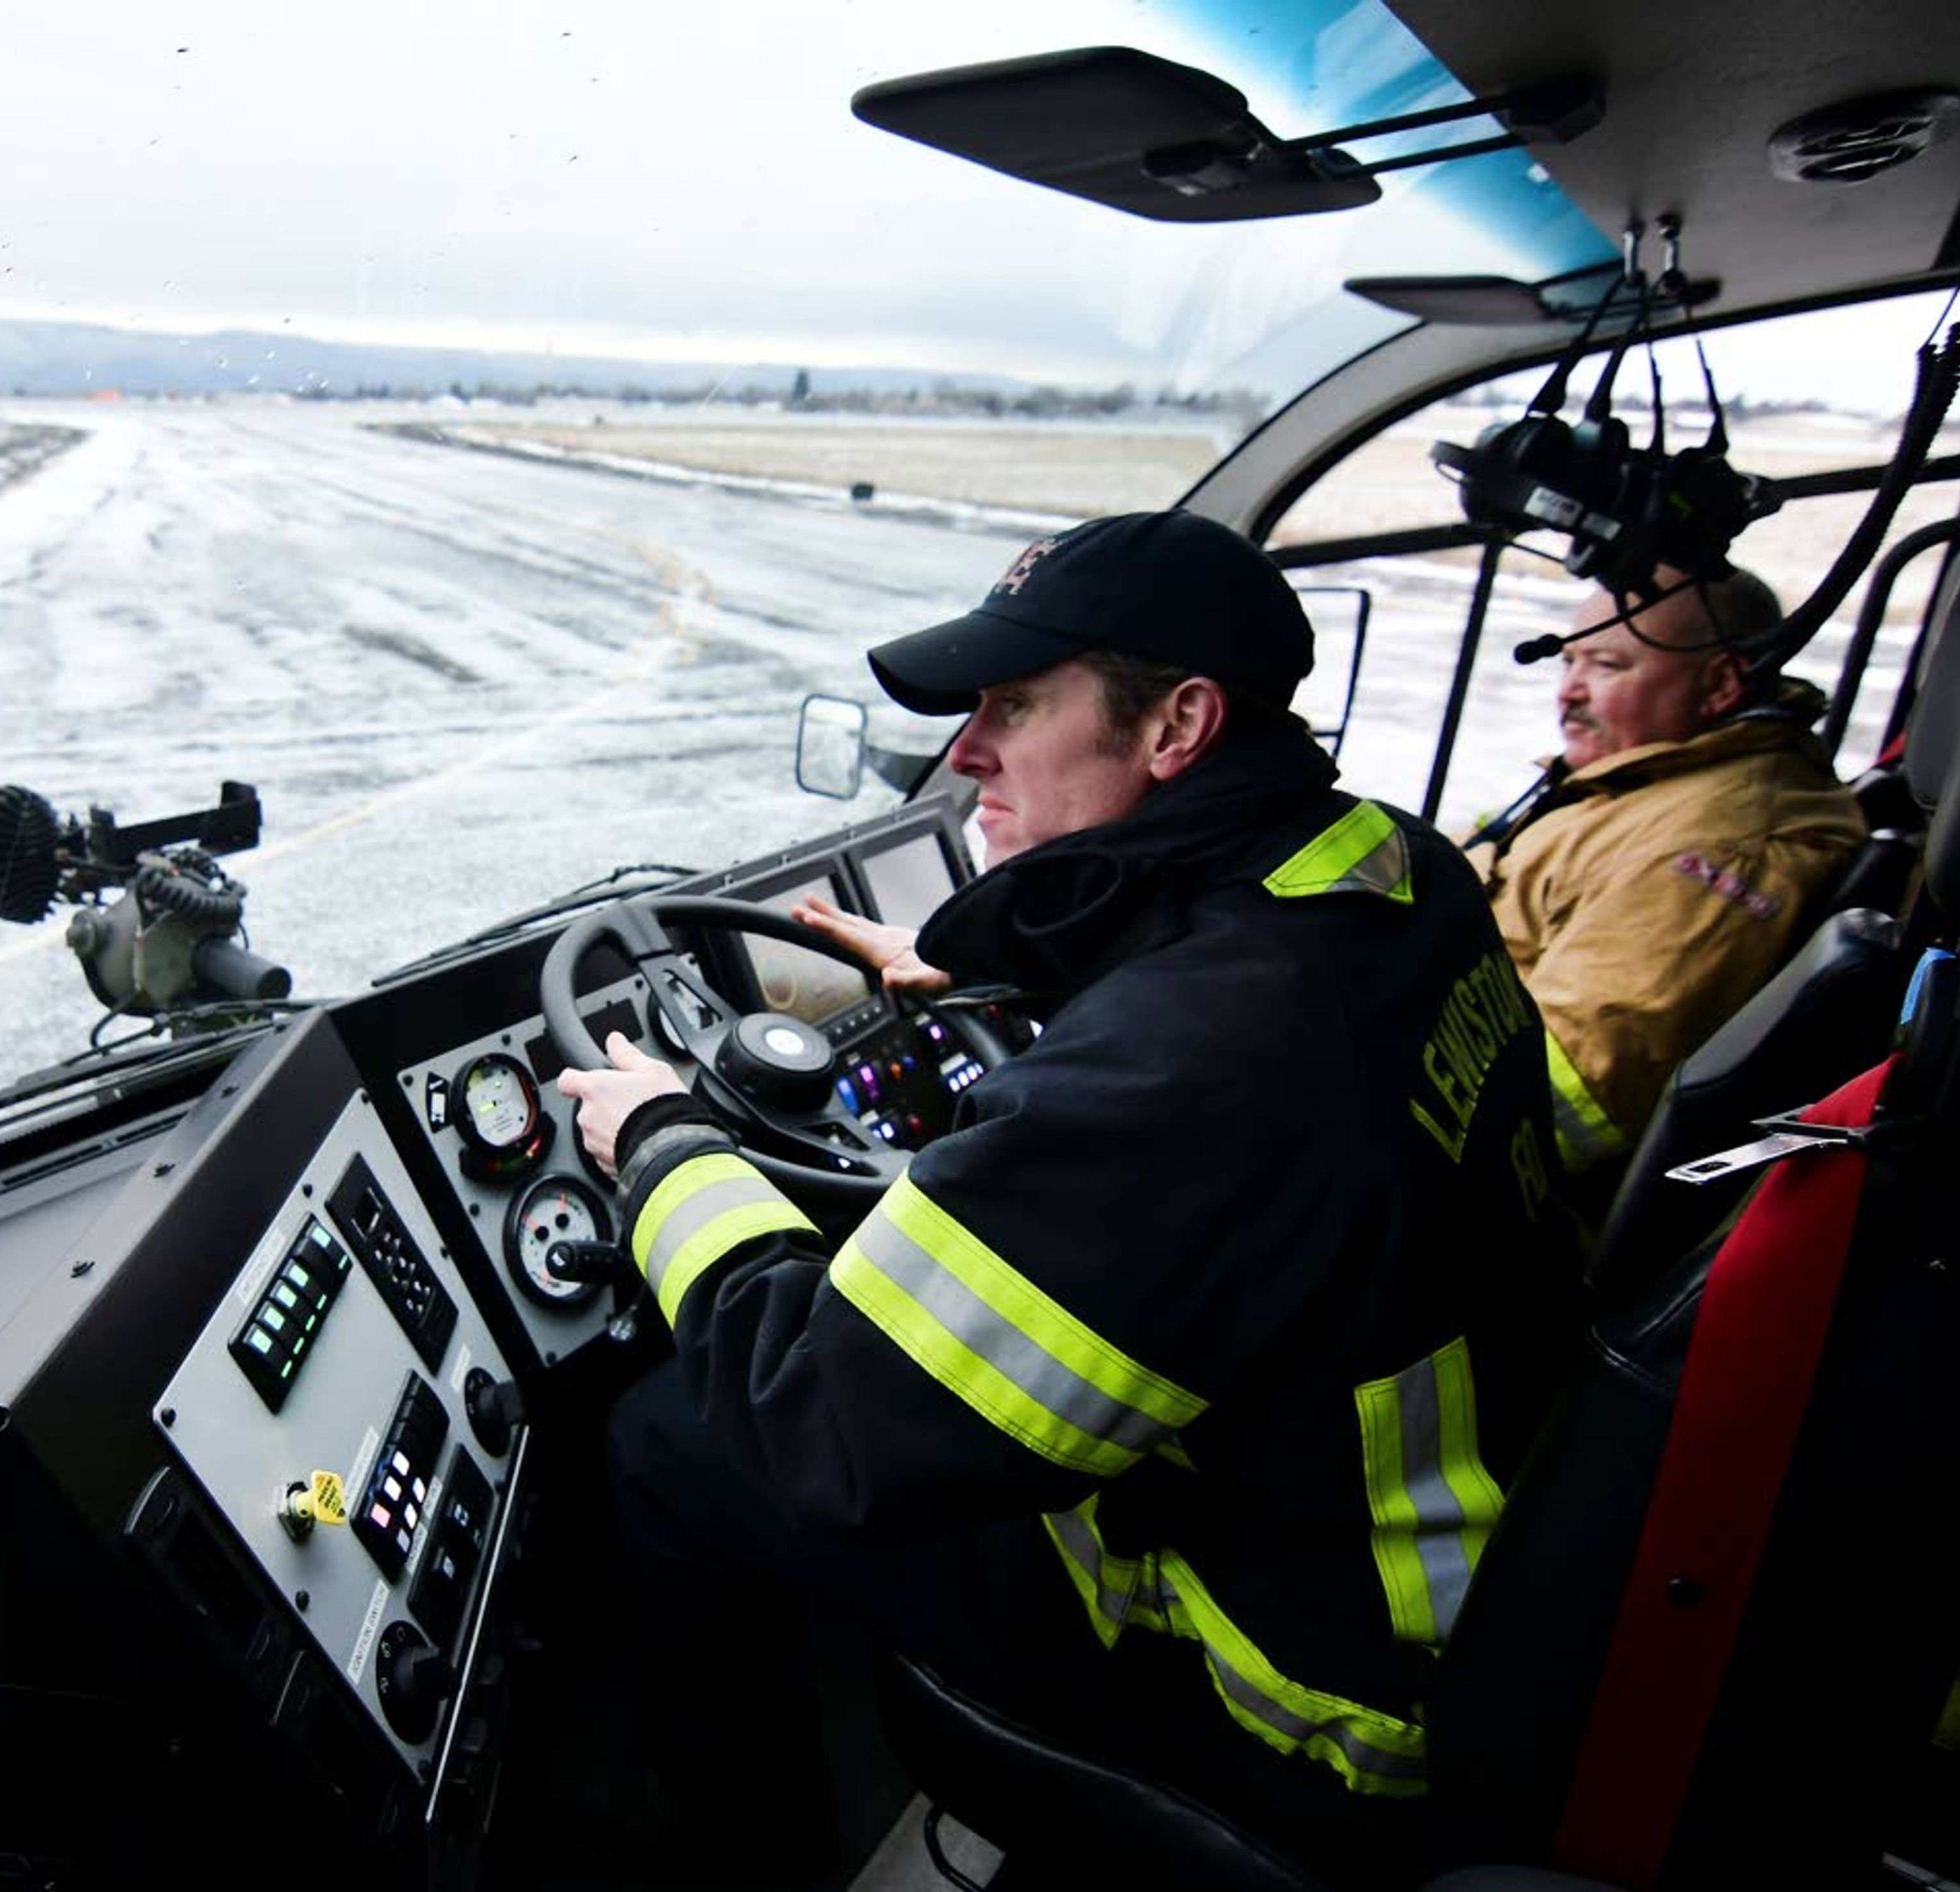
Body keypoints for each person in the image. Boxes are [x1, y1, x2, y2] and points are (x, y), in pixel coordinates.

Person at [557, 511, 1577, 1886]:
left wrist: (669, 1151)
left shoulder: (1198, 1060)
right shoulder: (1393, 872)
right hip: (1470, 1584)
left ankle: (730, 1860)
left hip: (1307, 1694)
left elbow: (826, 1421)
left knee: (674, 1439)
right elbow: (1246, 1029)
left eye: (1016, 706)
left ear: (1177, 729)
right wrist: (993, 978)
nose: (967, 751)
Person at [1463, 564, 1867, 1192]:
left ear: (1721, 685)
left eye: (1606, 665)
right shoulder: (1641, 785)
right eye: (1567, 662)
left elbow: (1568, 1101)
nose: (1569, 691)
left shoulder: (1719, 849)